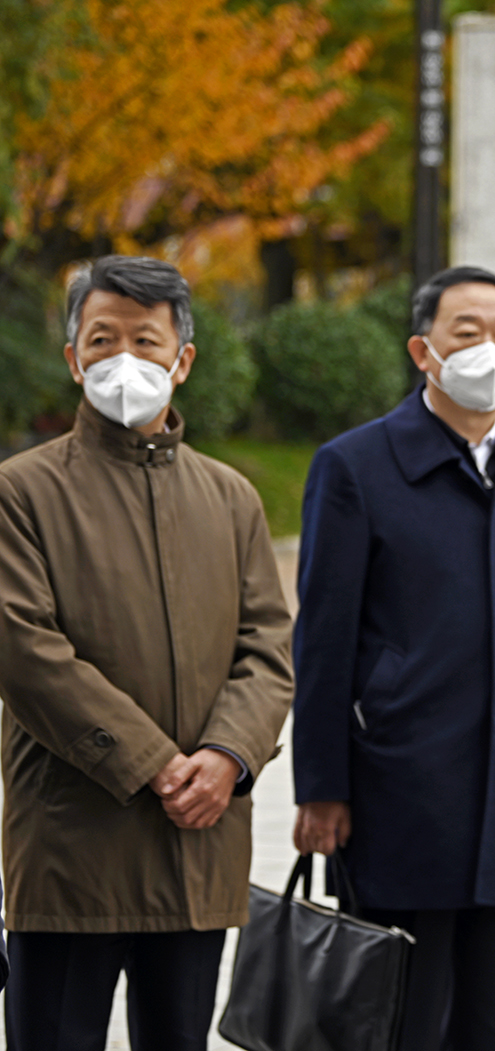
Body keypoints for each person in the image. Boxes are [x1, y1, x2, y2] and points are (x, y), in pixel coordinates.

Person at [291, 265, 495, 1051]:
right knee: (395, 1019)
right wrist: (321, 784)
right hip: (396, 781)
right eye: (468, 333)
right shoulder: (355, 466)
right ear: (424, 350)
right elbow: (322, 636)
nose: (489, 349)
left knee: (489, 1017)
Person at [0, 256, 294, 1049]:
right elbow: (25, 650)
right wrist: (154, 763)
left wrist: (229, 755)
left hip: (198, 849)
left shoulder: (230, 498)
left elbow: (269, 647)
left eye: (145, 339)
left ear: (183, 360)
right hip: (71, 849)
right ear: (72, 357)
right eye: (102, 338)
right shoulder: (20, 491)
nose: (123, 358)